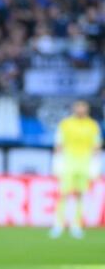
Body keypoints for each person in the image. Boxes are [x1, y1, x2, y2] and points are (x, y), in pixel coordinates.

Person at [49, 100, 102, 239]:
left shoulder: (92, 125)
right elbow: (58, 144)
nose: (80, 110)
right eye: (78, 107)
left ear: (87, 109)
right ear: (74, 109)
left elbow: (96, 146)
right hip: (68, 164)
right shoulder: (66, 124)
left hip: (84, 165)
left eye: (83, 107)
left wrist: (95, 166)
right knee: (63, 193)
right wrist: (57, 163)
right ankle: (58, 224)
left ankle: (76, 224)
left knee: (80, 194)